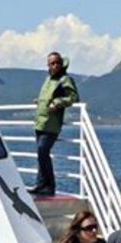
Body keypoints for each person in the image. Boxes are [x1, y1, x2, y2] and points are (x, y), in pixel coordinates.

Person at [28, 51, 79, 196]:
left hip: (52, 123)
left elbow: (73, 97)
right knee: (41, 154)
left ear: (61, 63)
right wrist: (40, 101)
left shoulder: (65, 80)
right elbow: (47, 97)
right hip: (40, 122)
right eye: (52, 63)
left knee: (42, 151)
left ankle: (49, 186)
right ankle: (40, 184)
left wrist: (58, 102)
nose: (55, 65)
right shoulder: (47, 80)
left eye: (57, 62)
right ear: (48, 65)